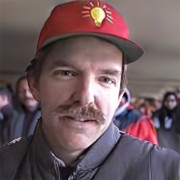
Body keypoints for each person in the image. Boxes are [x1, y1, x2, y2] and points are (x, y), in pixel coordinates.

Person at [0, 1, 179, 179]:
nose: (85, 98)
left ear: (119, 95)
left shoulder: (168, 171)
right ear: (34, 84)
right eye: (66, 73)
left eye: (106, 79)